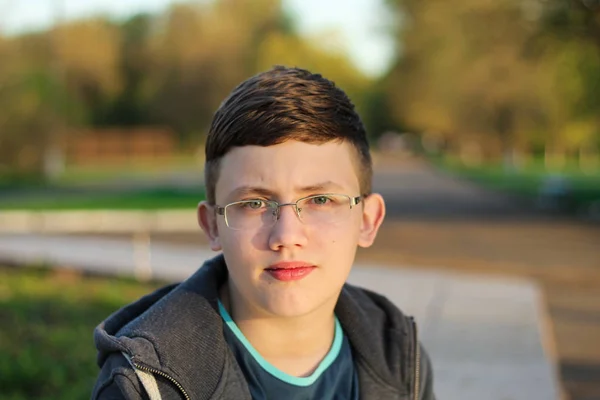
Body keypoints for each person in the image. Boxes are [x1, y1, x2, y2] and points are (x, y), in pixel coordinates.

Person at [92, 66, 435, 400]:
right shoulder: (144, 385)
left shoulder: (400, 353)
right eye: (254, 204)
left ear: (367, 219)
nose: (286, 236)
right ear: (212, 225)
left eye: (320, 199)